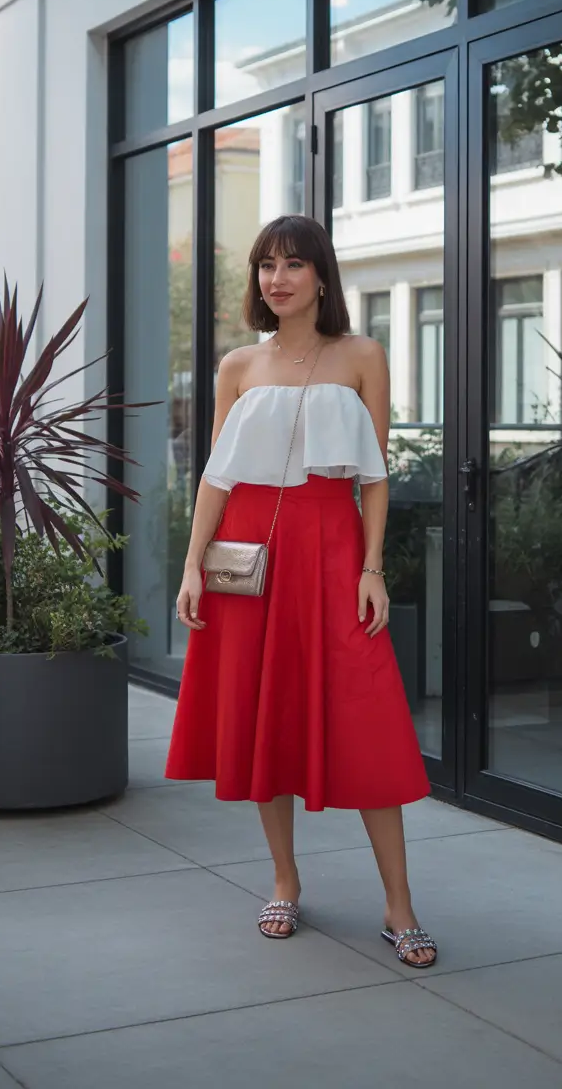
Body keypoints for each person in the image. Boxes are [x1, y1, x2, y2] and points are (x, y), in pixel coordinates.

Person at [165, 214, 436, 968]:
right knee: (263, 713)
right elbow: (216, 477)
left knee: (367, 716)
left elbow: (375, 475)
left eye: (292, 264)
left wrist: (372, 567)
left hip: (333, 545)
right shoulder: (237, 368)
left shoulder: (362, 355)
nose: (276, 278)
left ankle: (399, 903)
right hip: (250, 550)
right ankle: (284, 879)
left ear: (322, 275)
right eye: (265, 265)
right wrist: (192, 565)